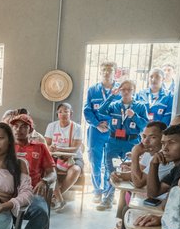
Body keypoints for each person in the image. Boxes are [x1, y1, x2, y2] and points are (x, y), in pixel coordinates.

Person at [10, 114, 55, 229]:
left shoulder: (40, 147)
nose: (18, 129)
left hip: (32, 193)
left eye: (23, 126)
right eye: (16, 126)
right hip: (7, 192)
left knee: (42, 214)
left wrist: (44, 181)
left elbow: (52, 173)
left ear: (30, 130)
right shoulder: (6, 146)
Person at [100, 80, 148, 210]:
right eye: (123, 89)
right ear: (120, 90)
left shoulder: (140, 107)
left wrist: (134, 116)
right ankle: (108, 198)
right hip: (114, 142)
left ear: (134, 91)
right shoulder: (114, 105)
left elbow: (144, 125)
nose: (126, 92)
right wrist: (112, 96)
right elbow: (101, 111)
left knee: (131, 170)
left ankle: (128, 202)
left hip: (131, 142)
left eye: (129, 89)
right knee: (111, 170)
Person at [83, 61, 120, 209]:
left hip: (112, 131)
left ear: (115, 72)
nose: (106, 72)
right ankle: (97, 191)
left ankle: (109, 193)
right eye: (104, 70)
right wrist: (97, 124)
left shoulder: (119, 90)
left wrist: (110, 125)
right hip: (95, 131)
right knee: (95, 162)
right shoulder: (93, 90)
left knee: (111, 162)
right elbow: (87, 110)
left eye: (110, 70)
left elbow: (122, 110)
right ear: (100, 72)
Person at [45, 102, 84, 201]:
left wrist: (58, 149)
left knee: (75, 170)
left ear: (71, 113)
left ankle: (56, 196)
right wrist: (50, 148)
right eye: (60, 112)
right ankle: (58, 198)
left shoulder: (77, 128)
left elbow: (75, 148)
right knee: (49, 169)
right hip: (54, 157)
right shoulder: (51, 126)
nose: (63, 114)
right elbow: (46, 144)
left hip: (74, 158)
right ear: (57, 114)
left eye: (66, 111)